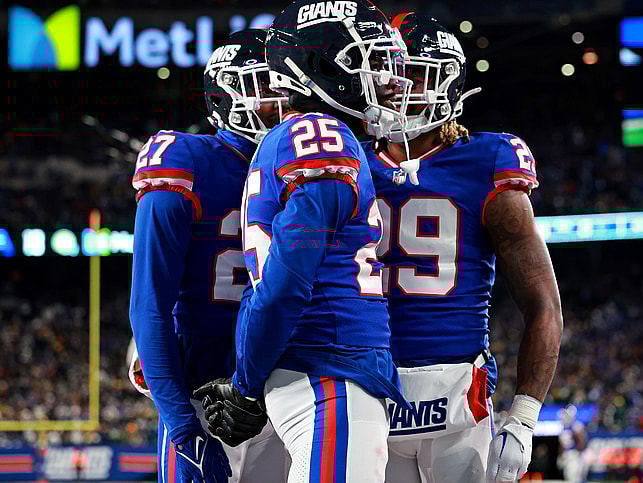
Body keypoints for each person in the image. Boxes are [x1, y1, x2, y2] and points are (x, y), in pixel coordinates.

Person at [195, 1, 414, 481]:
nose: (392, 79)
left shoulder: (299, 138)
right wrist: (245, 384)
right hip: (329, 374)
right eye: (372, 62)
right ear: (321, 69)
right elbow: (284, 282)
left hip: (323, 372)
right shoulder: (320, 136)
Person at [361, 13, 563, 483]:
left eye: (411, 74)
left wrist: (526, 415)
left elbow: (543, 304)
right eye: (387, 75)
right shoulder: (343, 158)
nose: (398, 89)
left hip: (457, 402)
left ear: (448, 82)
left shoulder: (486, 161)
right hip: (364, 393)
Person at [128, 29, 289, 482]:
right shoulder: (186, 160)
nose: (279, 100)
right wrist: (183, 429)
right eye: (265, 87)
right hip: (206, 381)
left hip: (290, 378)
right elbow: (149, 306)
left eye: (285, 86)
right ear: (226, 96)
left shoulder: (308, 161)